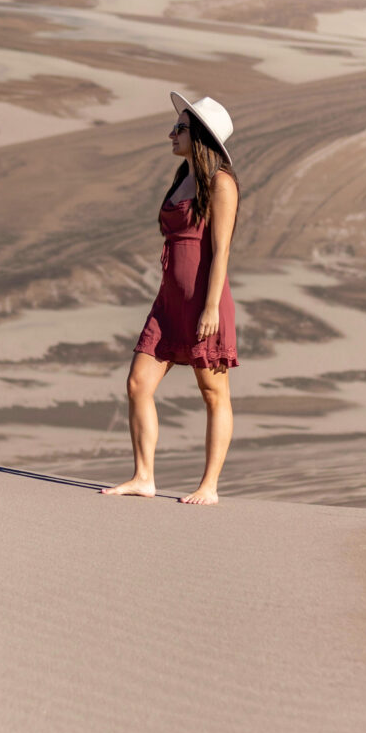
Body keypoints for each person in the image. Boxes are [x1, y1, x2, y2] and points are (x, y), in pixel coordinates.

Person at [101, 91, 240, 505]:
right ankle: (144, 476)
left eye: (178, 128)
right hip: (168, 301)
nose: (170, 134)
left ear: (199, 135)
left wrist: (212, 306)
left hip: (204, 303)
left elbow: (222, 250)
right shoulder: (182, 178)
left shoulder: (221, 183)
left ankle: (209, 486)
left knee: (213, 394)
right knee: (137, 383)